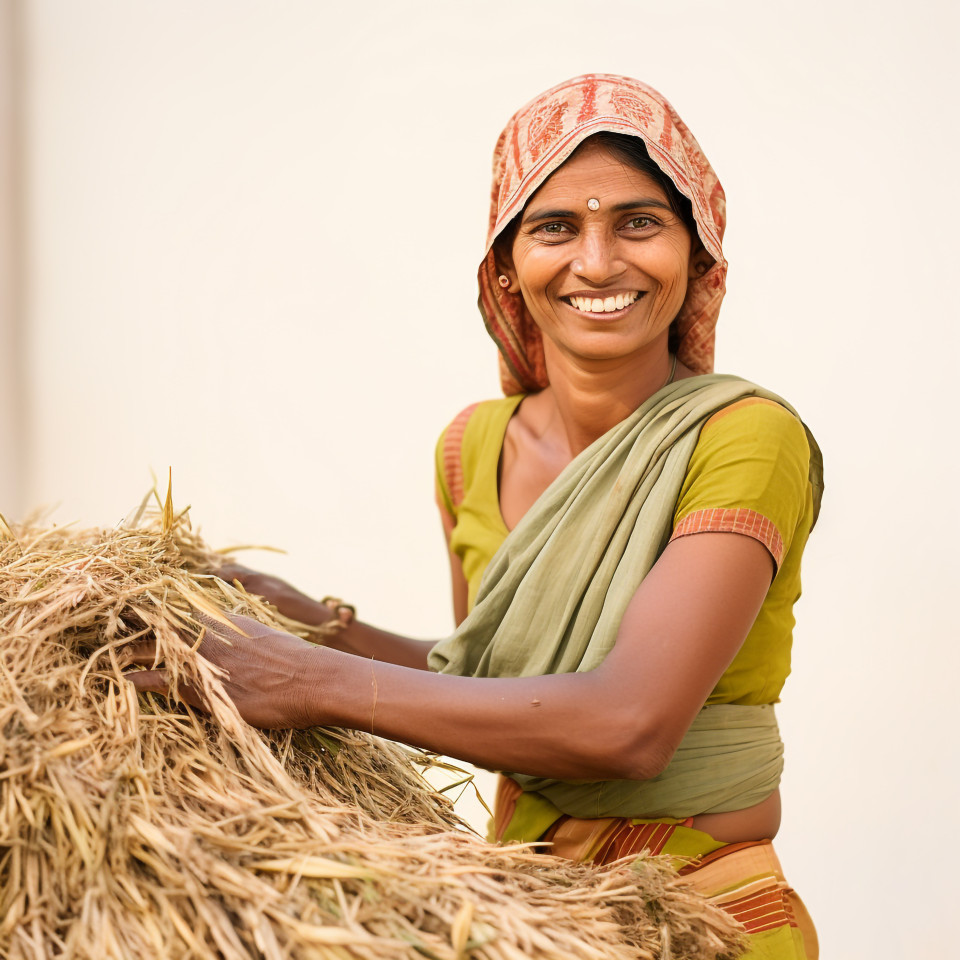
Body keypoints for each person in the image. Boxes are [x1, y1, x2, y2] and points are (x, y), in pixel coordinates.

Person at [130, 74, 822, 959]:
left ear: (697, 257)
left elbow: (627, 725)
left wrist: (305, 681)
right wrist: (320, 624)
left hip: (700, 914)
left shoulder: (745, 437)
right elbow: (502, 692)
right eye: (555, 227)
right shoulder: (471, 448)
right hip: (523, 911)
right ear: (506, 267)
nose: (600, 261)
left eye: (639, 223)